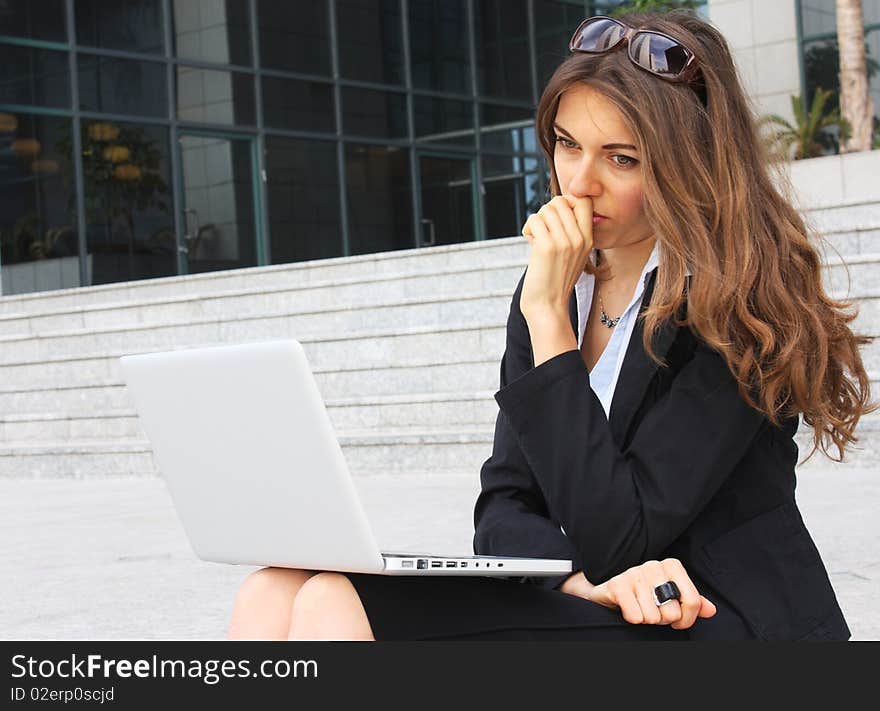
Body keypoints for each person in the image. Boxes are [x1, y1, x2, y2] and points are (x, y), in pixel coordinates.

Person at [226, 10, 874, 641]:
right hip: (607, 595)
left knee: (337, 603)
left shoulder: (737, 300)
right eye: (568, 144)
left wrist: (547, 321)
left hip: (714, 614)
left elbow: (622, 530)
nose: (579, 183)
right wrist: (573, 577)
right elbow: (501, 507)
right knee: (275, 587)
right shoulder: (555, 283)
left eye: (621, 159)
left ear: (687, 165)